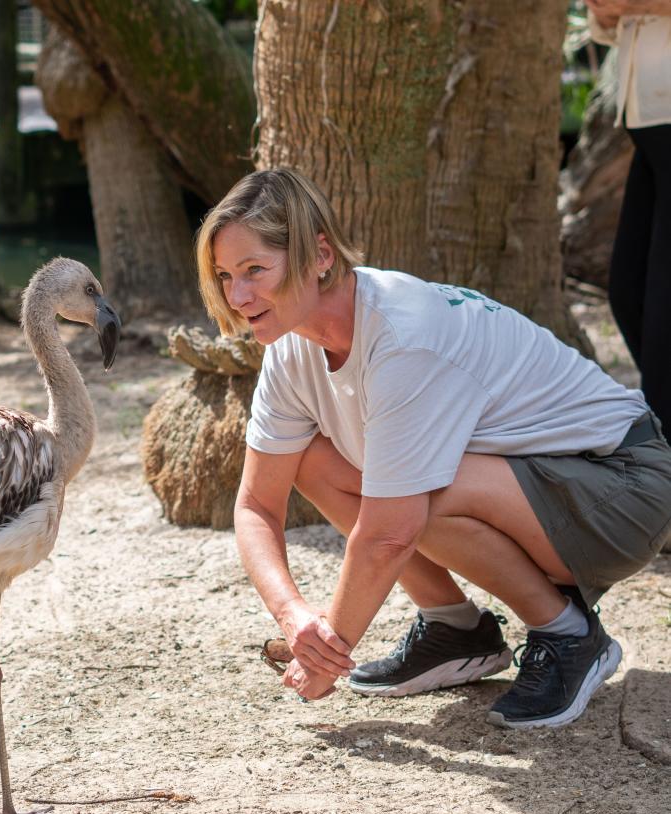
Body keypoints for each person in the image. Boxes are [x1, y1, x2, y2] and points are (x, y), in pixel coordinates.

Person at [197, 168, 671, 728]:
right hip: (541, 487)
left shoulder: (401, 334)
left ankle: (570, 635)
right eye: (226, 275)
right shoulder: (289, 350)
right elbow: (256, 505)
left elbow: (390, 532)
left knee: (416, 493)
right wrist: (295, 618)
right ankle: (455, 630)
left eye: (255, 270)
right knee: (314, 461)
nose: (239, 295)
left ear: (320, 255)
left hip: (627, 485)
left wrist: (331, 648)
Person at [586, 1, 671, 424]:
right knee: (629, 291)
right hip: (648, 124)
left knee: (660, 308)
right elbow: (612, 31)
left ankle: (662, 462)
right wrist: (604, 14)